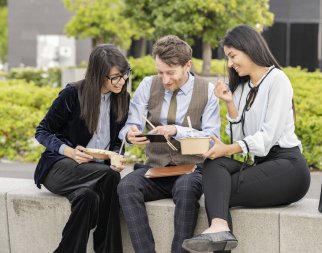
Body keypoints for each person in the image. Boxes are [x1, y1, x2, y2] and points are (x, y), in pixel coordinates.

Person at [182, 24, 311, 252]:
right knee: (213, 163)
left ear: (249, 48)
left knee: (218, 190)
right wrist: (230, 103)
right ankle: (220, 226)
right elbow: (241, 139)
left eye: (233, 56)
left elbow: (267, 139)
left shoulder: (277, 80)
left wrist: (228, 148)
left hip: (288, 168)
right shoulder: (242, 88)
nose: (230, 63)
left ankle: (219, 228)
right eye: (228, 58)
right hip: (262, 165)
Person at [117, 35, 220, 253]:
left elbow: (211, 138)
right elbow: (130, 125)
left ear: (187, 65)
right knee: (126, 187)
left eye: (170, 72)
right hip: (155, 169)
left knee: (185, 188)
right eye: (160, 72)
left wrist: (177, 130)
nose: (164, 79)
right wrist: (130, 134)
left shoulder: (207, 91)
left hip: (191, 170)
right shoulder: (147, 85)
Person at [34, 44, 131, 253]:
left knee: (88, 198)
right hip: (60, 168)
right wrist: (69, 152)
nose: (121, 81)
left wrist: (117, 156)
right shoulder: (73, 94)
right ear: (98, 74)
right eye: (115, 77)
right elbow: (42, 131)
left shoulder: (122, 98)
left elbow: (117, 142)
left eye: (124, 75)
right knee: (111, 178)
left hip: (95, 173)